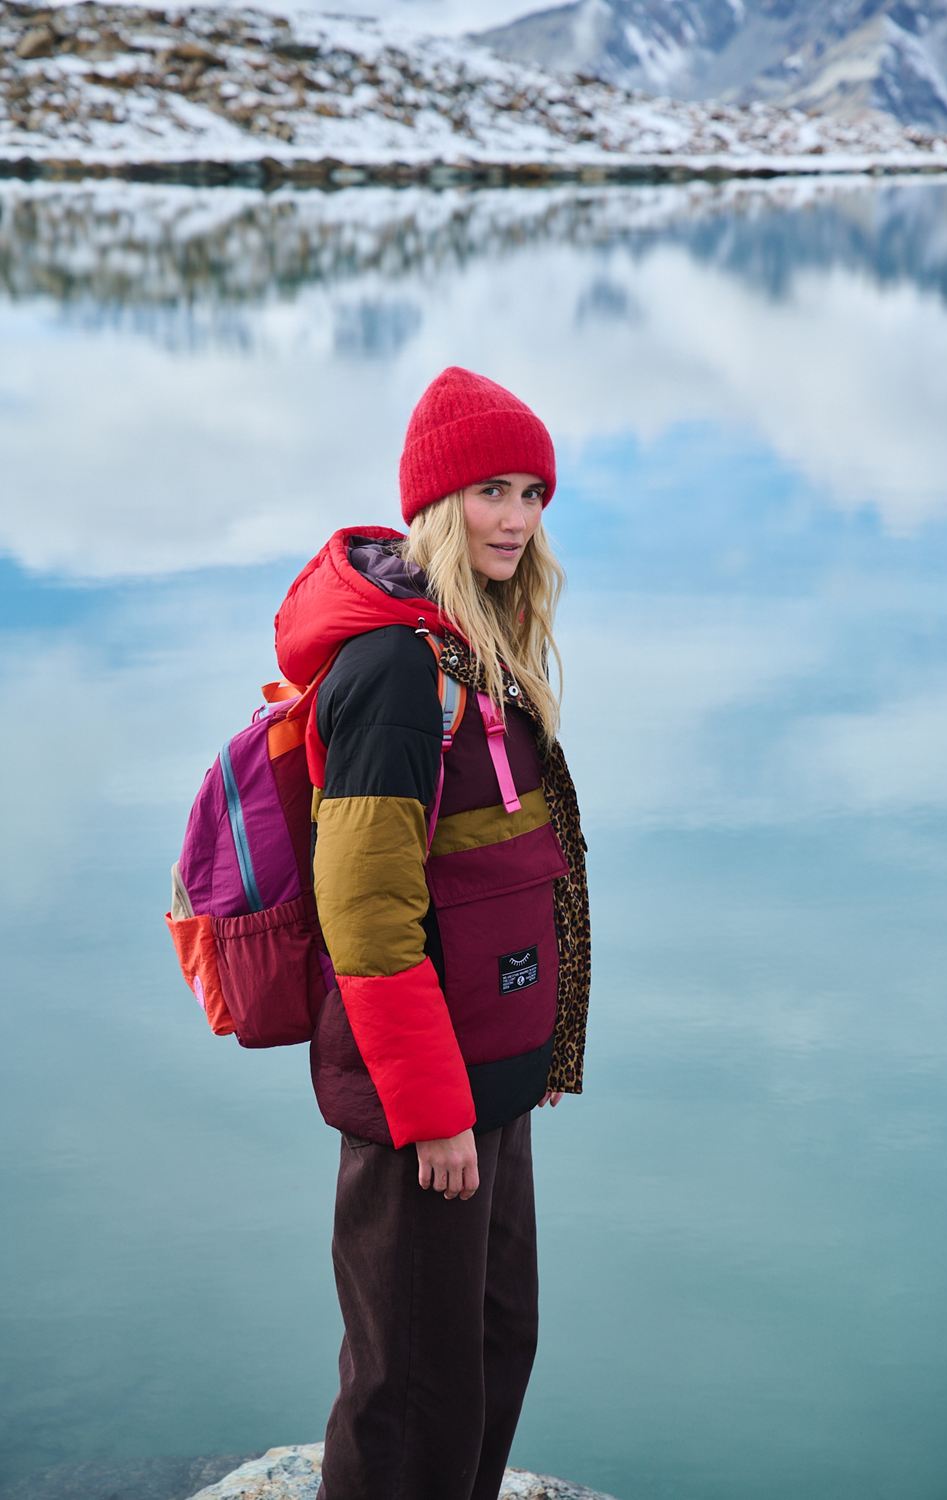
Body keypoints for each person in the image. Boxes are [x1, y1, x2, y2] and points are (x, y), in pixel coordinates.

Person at [273, 365, 592, 1500]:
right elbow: (366, 921)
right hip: (426, 1103)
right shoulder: (394, 672)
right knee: (411, 1389)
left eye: (532, 494)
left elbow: (499, 871)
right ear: (436, 504)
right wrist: (432, 1113)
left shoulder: (478, 649)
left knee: (495, 1348)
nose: (516, 518)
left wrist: (527, 1058)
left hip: (491, 1082)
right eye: (491, 492)